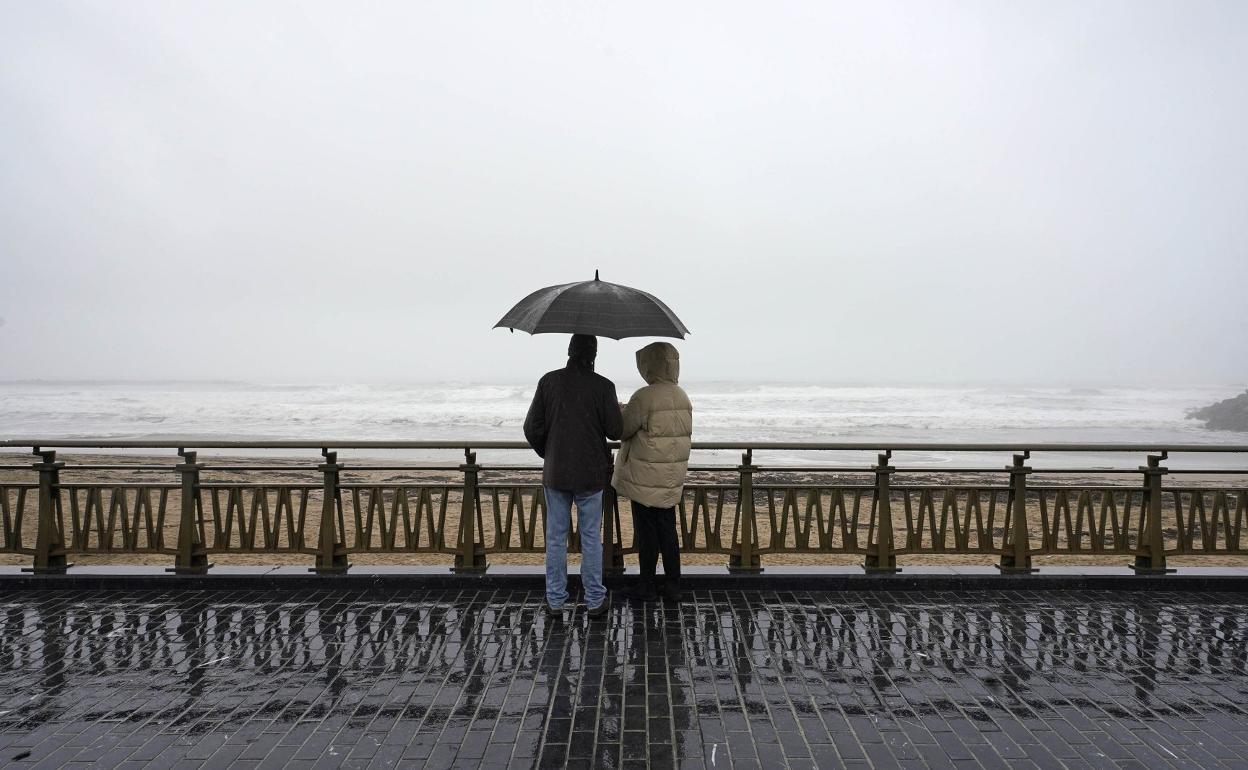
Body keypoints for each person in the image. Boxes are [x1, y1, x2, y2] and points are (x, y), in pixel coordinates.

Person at [524, 334, 622, 618]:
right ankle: (594, 600)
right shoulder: (603, 386)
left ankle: (555, 601)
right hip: (591, 474)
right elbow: (616, 430)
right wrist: (615, 410)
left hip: (556, 472)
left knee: (556, 538)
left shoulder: (548, 381)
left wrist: (549, 452)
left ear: (569, 351)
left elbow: (531, 427)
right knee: (591, 537)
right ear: (594, 355)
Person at [612, 342, 692, 603]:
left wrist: (621, 411)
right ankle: (673, 585)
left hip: (645, 477)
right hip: (671, 475)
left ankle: (646, 585)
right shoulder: (682, 396)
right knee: (668, 531)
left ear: (649, 365)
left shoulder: (644, 397)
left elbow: (623, 430)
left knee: (647, 533)